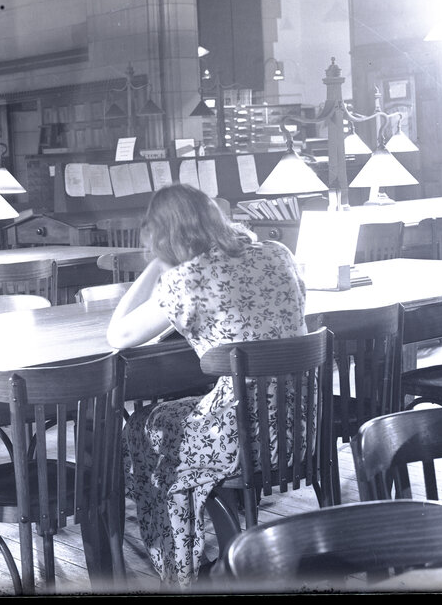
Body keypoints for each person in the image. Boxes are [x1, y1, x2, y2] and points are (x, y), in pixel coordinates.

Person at [106, 183, 308, 589]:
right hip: (300, 428)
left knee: (143, 427)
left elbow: (117, 335)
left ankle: (181, 570)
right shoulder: (278, 253)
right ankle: (222, 547)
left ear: (163, 235)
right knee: (183, 411)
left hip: (241, 439)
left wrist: (157, 264)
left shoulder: (187, 279)